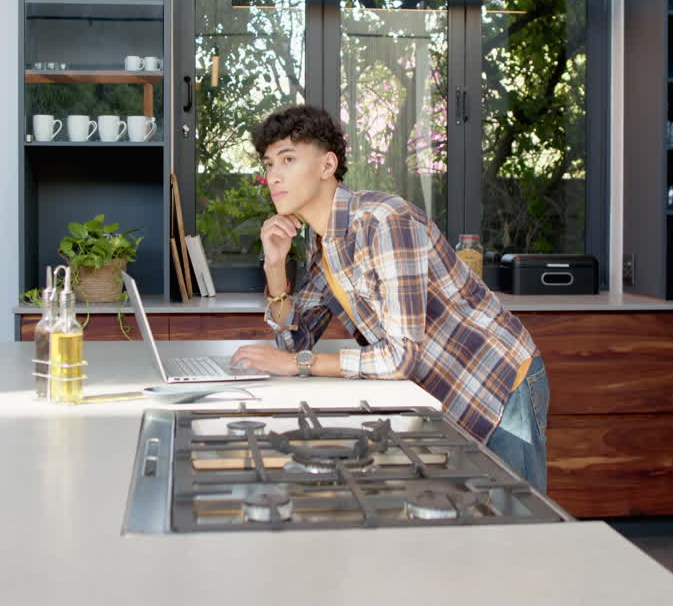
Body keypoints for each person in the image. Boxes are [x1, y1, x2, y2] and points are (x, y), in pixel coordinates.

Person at [228, 104, 551, 492]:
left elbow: (397, 356)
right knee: (465, 528)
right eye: (268, 164)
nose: (273, 175)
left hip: (495, 382)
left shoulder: (384, 221)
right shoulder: (323, 242)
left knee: (520, 526)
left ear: (327, 166)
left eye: (288, 159)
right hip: (436, 389)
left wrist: (299, 363)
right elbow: (294, 342)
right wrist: (275, 265)